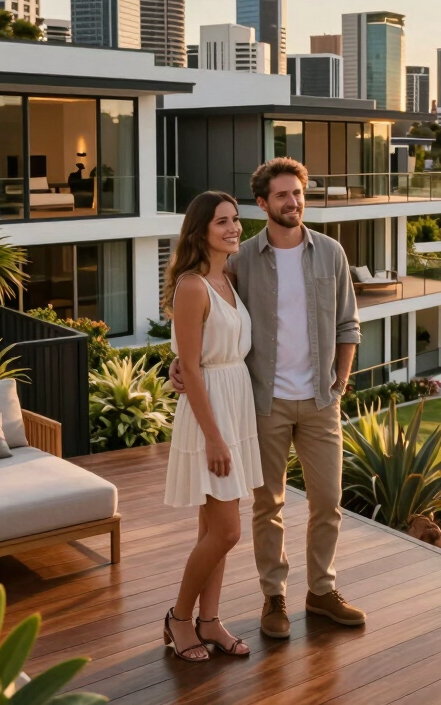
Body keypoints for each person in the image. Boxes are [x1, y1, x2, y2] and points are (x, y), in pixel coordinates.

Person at [171, 157, 365, 640]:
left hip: (320, 401)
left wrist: (339, 382)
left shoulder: (332, 254)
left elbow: (348, 324)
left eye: (297, 193)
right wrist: (180, 364)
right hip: (262, 403)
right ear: (263, 204)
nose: (292, 202)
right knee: (267, 505)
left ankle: (321, 590)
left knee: (329, 502)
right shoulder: (238, 262)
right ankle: (273, 597)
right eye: (281, 195)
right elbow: (206, 321)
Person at [162, 191, 262, 662]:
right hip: (211, 414)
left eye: (236, 220)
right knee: (226, 531)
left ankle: (210, 620)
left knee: (212, 528)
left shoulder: (227, 279)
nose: (234, 228)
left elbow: (195, 356)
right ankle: (180, 618)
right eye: (222, 222)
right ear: (201, 230)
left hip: (235, 400)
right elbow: (192, 367)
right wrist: (215, 437)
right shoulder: (193, 286)